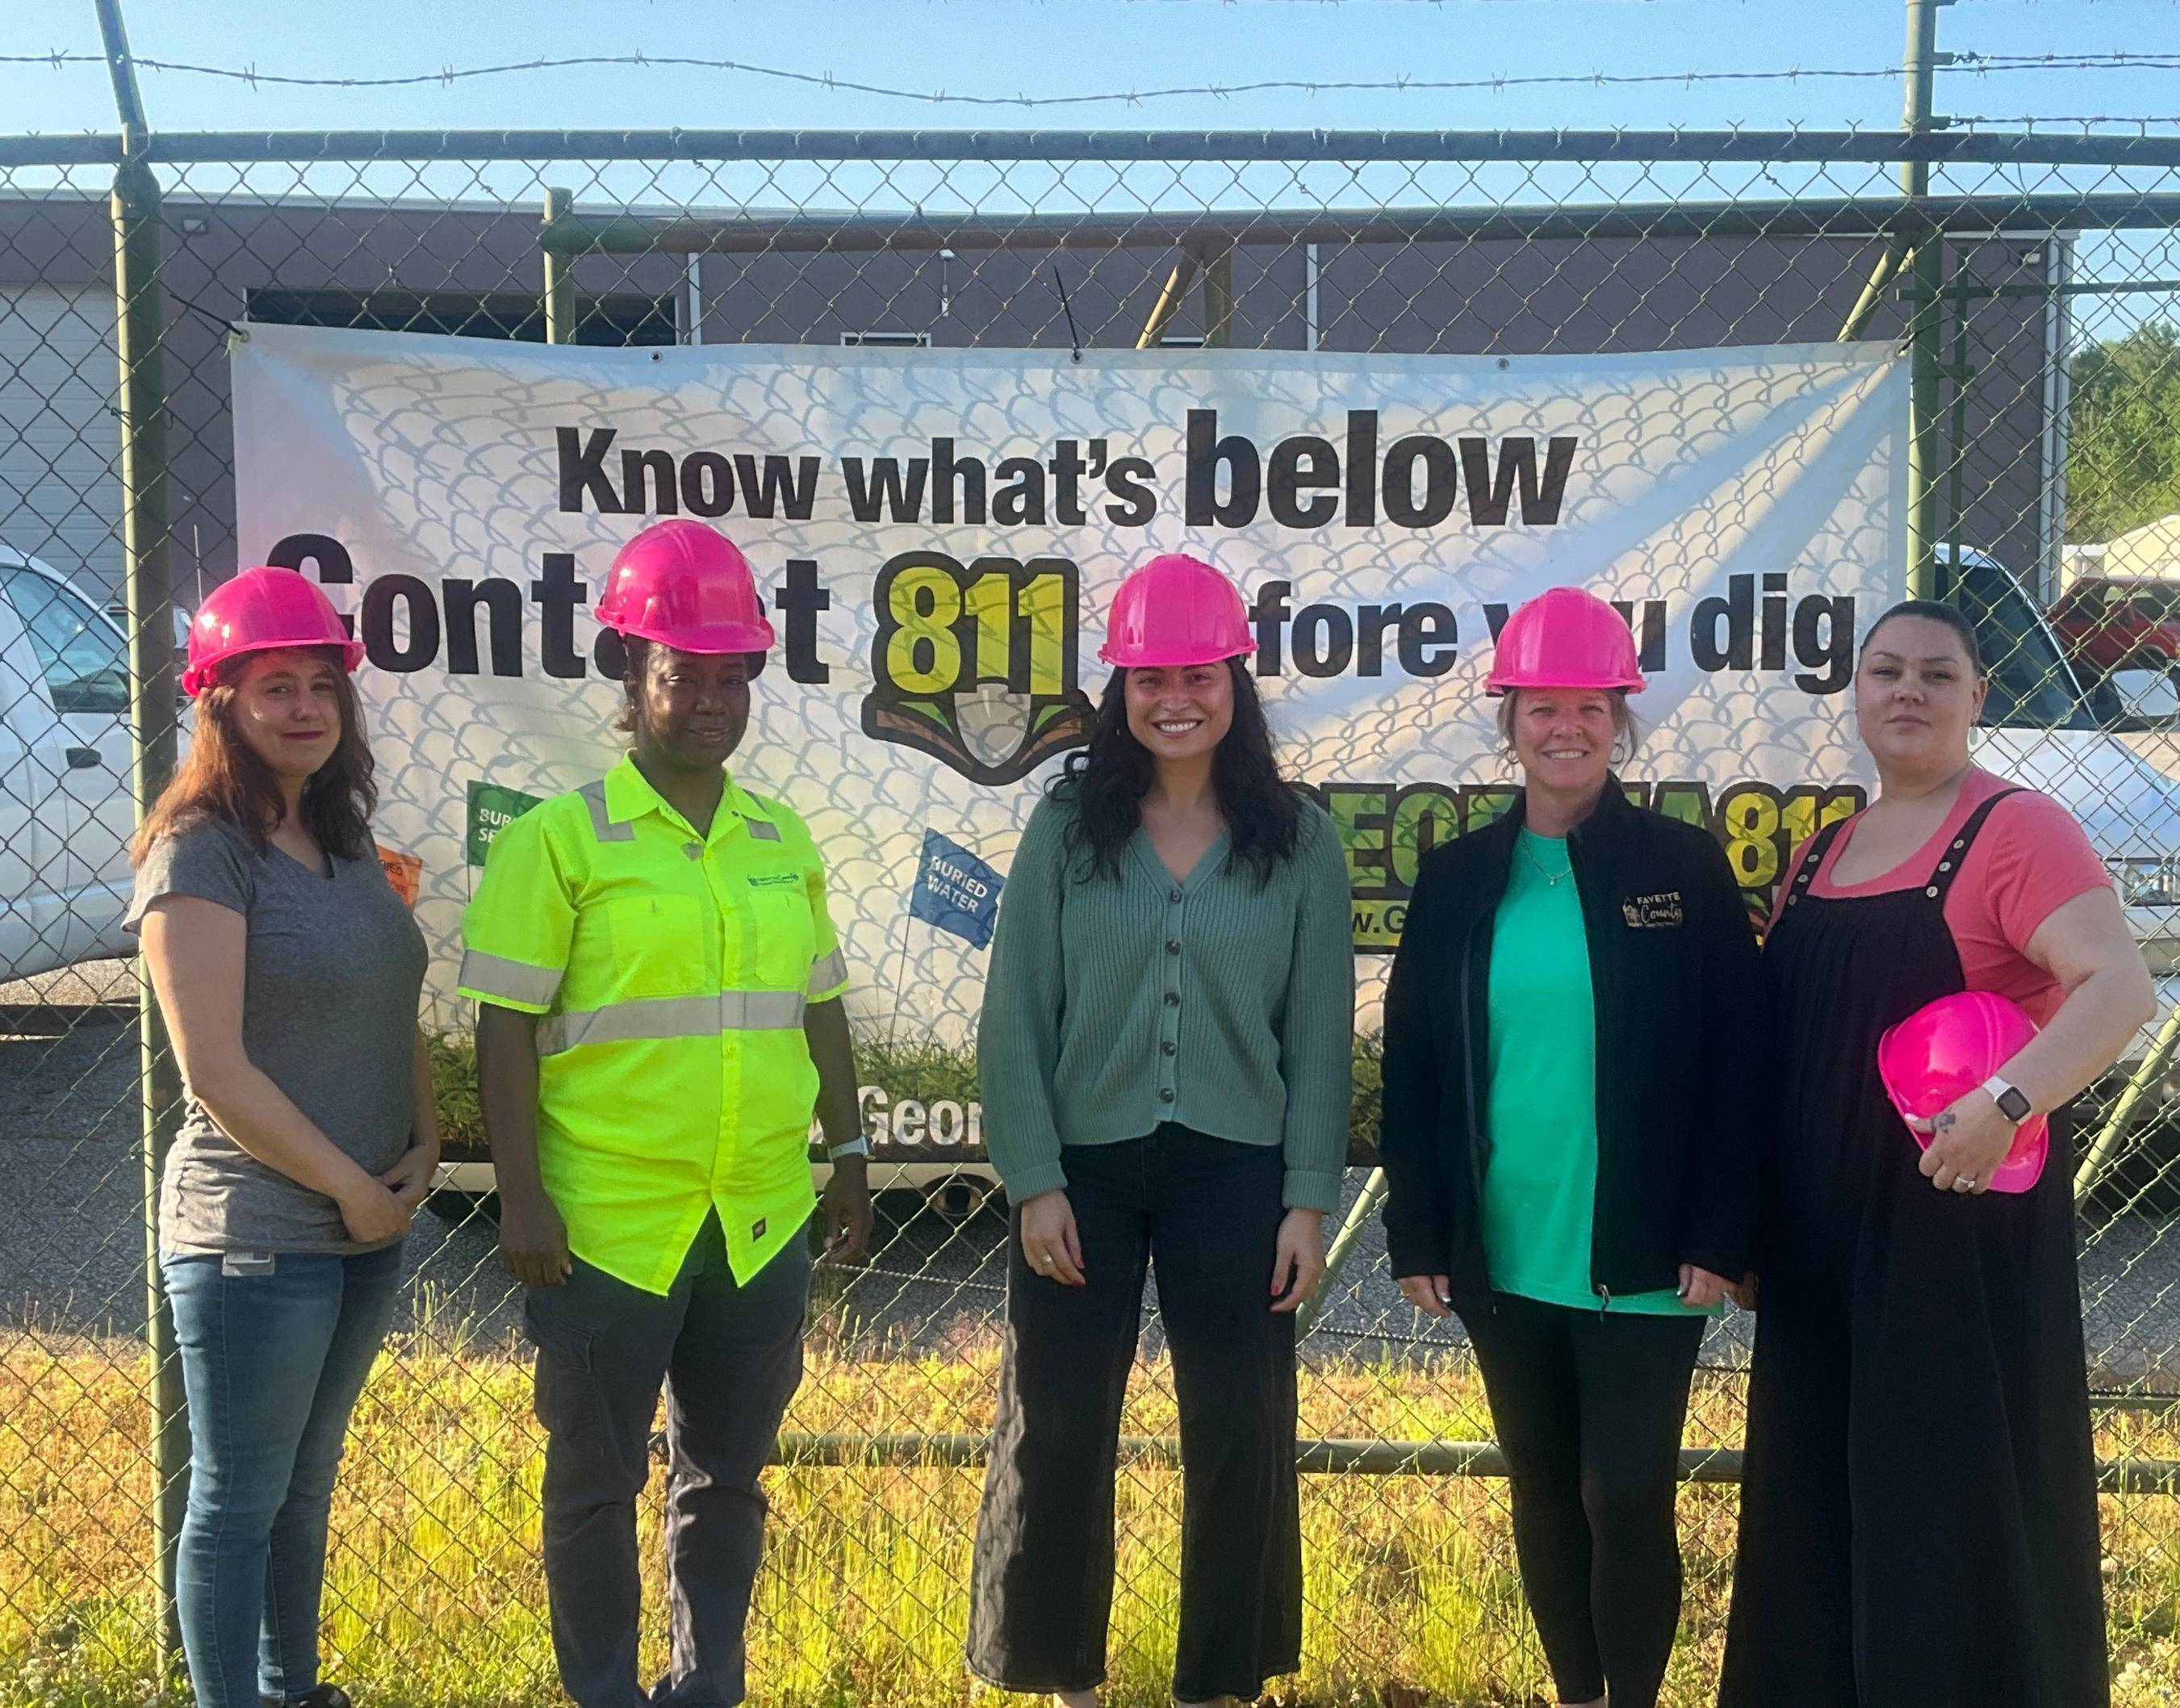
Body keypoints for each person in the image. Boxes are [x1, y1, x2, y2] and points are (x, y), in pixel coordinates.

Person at [458, 518, 873, 1708]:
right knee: (595, 1482)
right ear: (630, 678)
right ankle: (602, 1694)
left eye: (732, 673)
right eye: (683, 672)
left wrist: (845, 1154)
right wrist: (520, 1195)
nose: (710, 698)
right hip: (604, 1228)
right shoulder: (559, 842)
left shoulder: (775, 840)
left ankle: (709, 1688)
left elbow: (821, 1006)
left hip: (754, 1221)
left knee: (728, 1476)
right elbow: (503, 1027)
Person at [1718, 600, 2155, 1708]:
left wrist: (2007, 1102)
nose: (1905, 690)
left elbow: (2116, 987)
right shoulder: (1818, 854)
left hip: (1948, 1240)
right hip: (1818, 1257)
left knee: (1940, 1503)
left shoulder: (2015, 829)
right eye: (1883, 671)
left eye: (1935, 673)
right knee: (1818, 1502)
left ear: (1977, 697)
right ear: (1855, 694)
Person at [967, 552, 1354, 1708]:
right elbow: (1012, 1019)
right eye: (1148, 677)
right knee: (1059, 1426)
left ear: (1235, 680)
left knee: (1238, 1433)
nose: (1173, 698)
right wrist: (1034, 1179)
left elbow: (1323, 1041)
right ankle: (1057, 1679)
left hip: (1235, 1176)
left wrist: (1306, 1203)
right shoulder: (1066, 827)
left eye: (1197, 674)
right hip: (1082, 1173)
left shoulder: (1299, 841)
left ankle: (1216, 1684)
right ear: (1119, 690)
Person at [1378, 585, 1766, 1708]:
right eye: (1542, 706)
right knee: (1543, 1489)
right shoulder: (1458, 880)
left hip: (1648, 1248)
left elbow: (1739, 1067)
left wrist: (1719, 1227)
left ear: (1619, 720)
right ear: (1509, 720)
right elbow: (1412, 1069)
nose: (1566, 727)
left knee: (1626, 1491)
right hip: (1505, 1246)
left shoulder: (1681, 869)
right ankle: (1577, 1696)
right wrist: (1419, 1231)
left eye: (1589, 706)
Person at [128, 567, 438, 1708]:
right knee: (238, 1499)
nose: (305, 707)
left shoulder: (347, 841)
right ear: (220, 703)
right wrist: (350, 1189)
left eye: (322, 684)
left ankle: (288, 1689)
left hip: (366, 1219)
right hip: (254, 1232)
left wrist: (421, 1134)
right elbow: (213, 1071)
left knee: (305, 1488)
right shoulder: (200, 850)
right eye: (273, 687)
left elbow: (386, 1000)